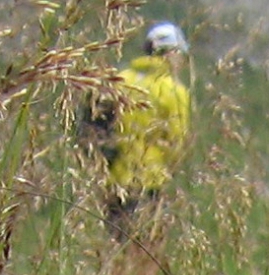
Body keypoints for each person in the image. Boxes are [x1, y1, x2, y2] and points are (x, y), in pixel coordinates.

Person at [82, 22, 191, 236]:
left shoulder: (120, 80)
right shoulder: (174, 91)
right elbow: (177, 143)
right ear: (171, 53)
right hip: (150, 182)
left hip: (114, 179)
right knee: (145, 250)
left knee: (115, 244)